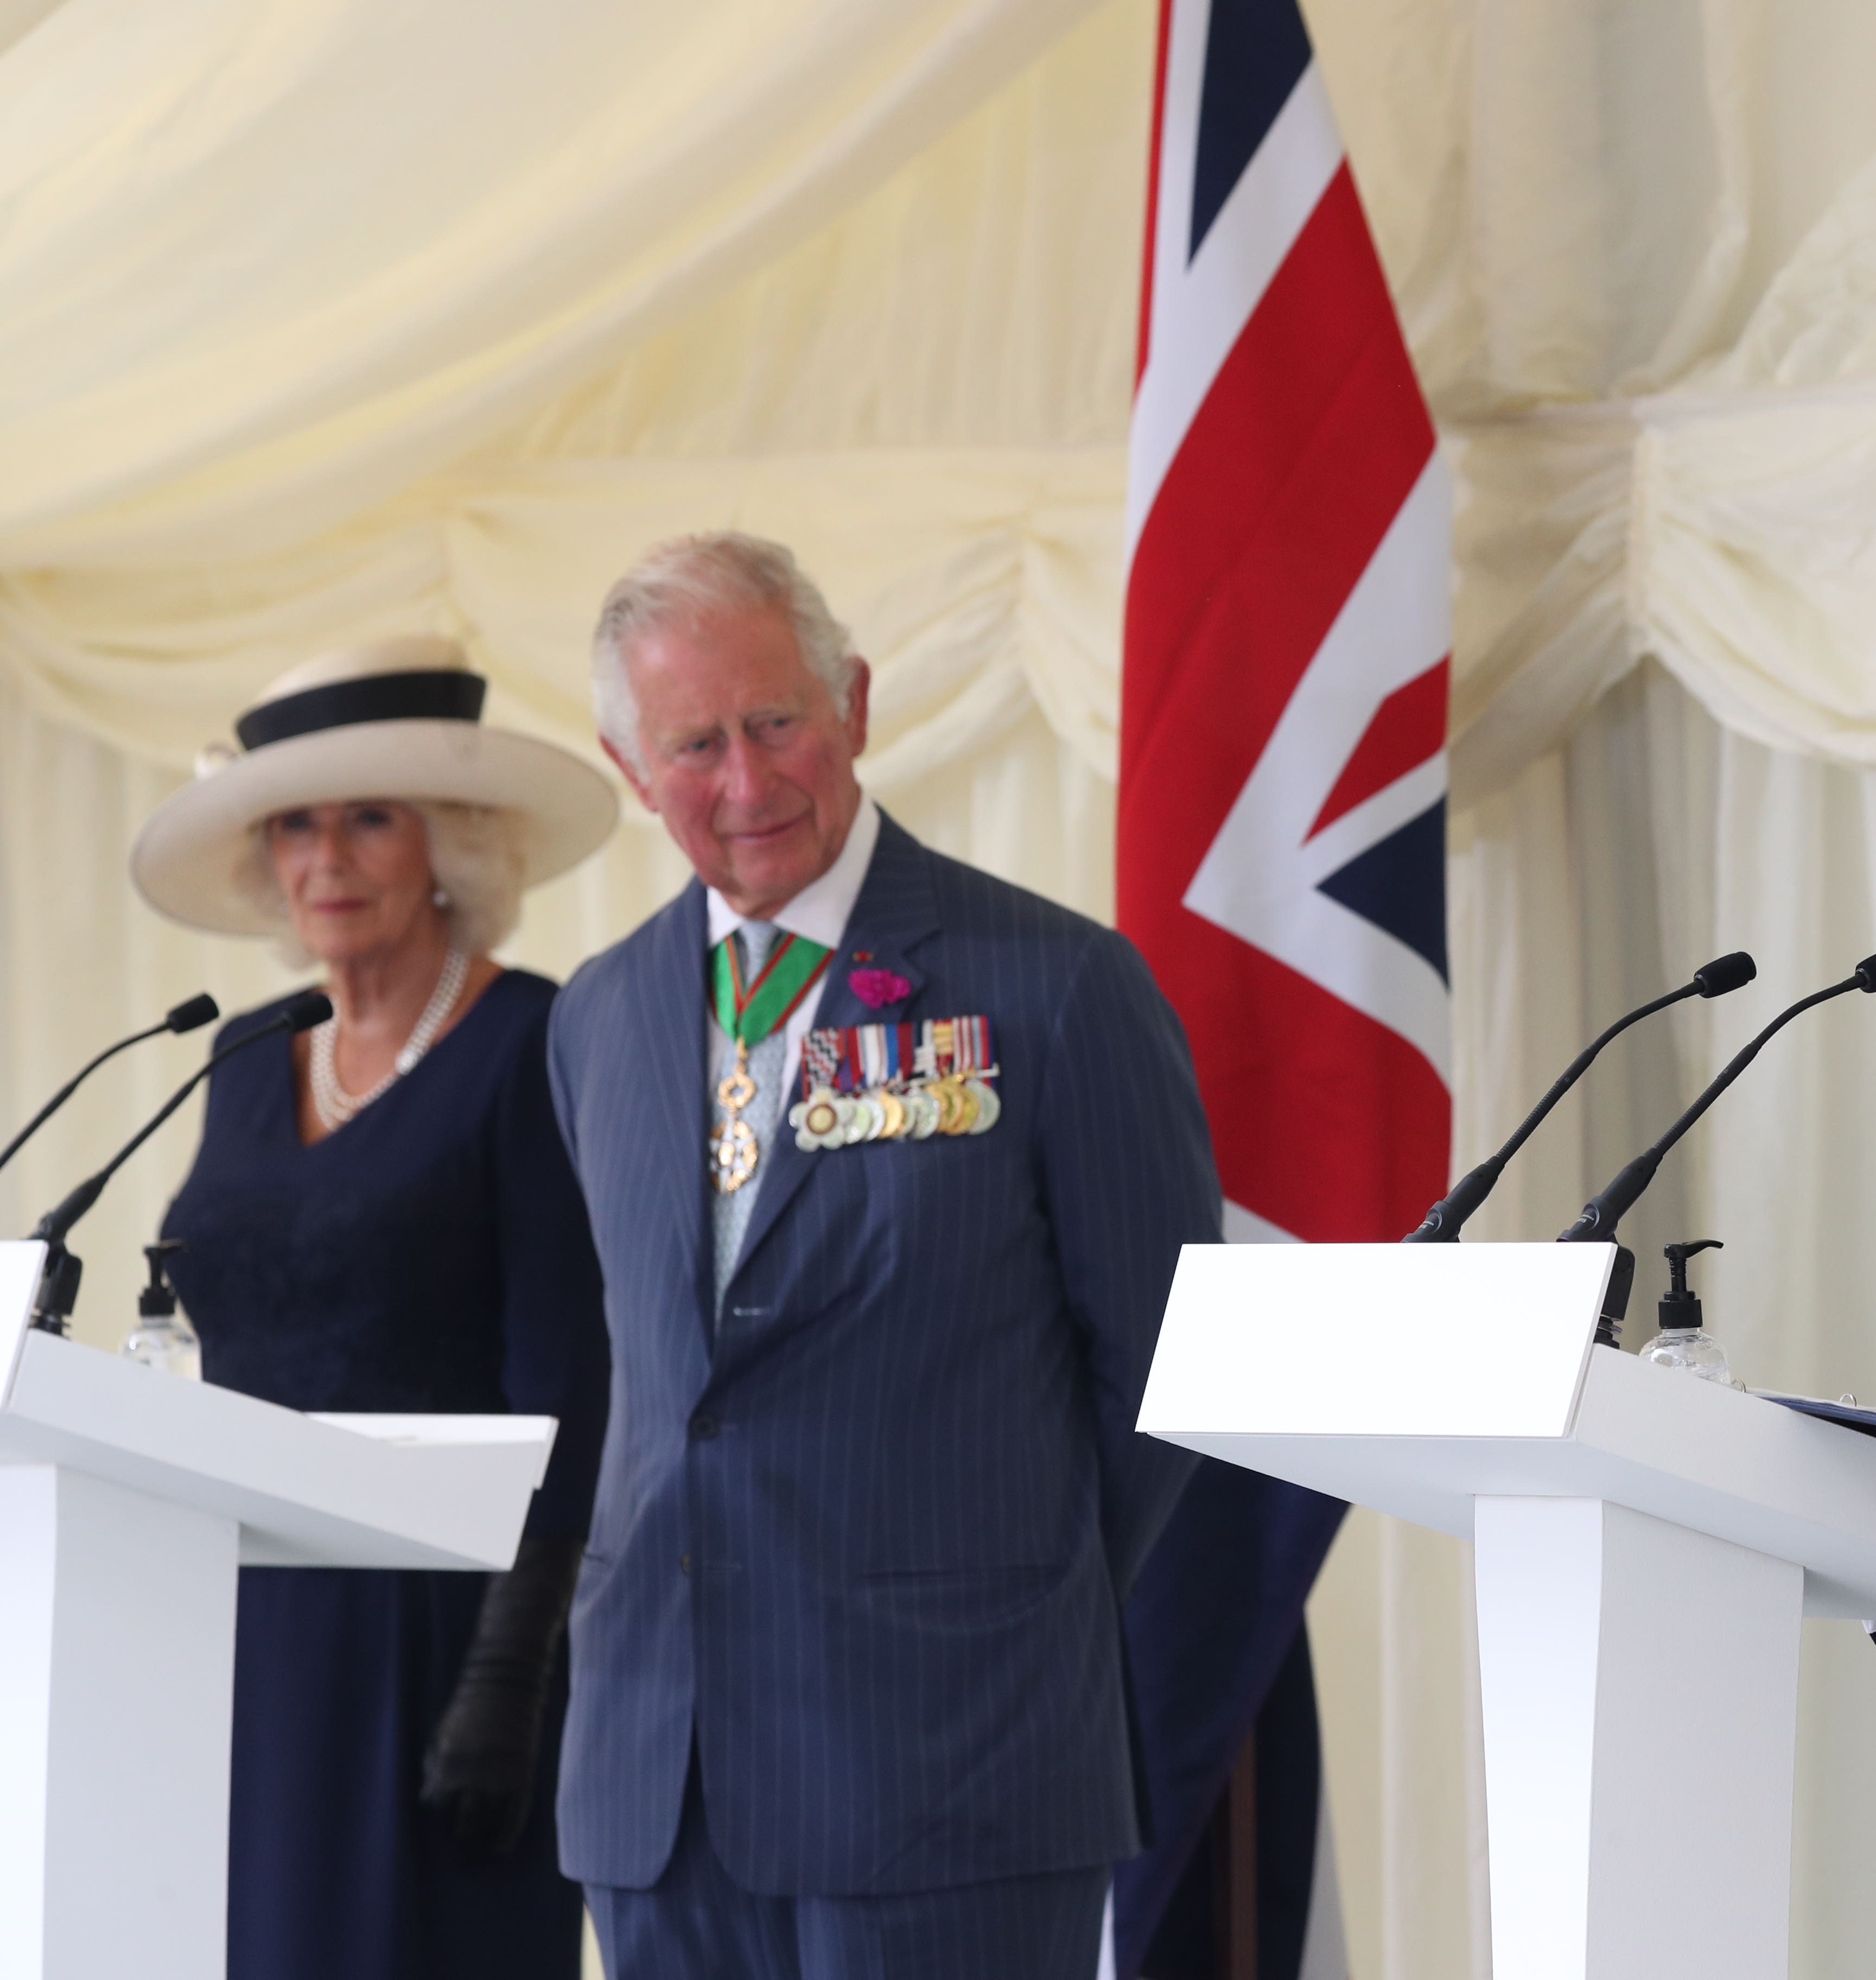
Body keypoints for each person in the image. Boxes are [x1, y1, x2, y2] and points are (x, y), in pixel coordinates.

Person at [548, 531, 1218, 1979]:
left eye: (776, 722)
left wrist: (987, 1593)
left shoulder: (1057, 989)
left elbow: (1164, 1375)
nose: (747, 782)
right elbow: (658, 1379)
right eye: (694, 744)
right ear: (623, 763)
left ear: (852, 700)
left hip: (950, 1764)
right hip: (658, 1782)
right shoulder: (596, 1018)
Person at [130, 634, 619, 1980]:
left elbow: (573, 1381)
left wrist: (514, 1673)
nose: (325, 859)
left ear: (452, 845)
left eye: (367, 819)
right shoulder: (239, 1058)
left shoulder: (533, 1041)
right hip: (246, 1628)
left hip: (448, 1644)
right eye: (294, 824)